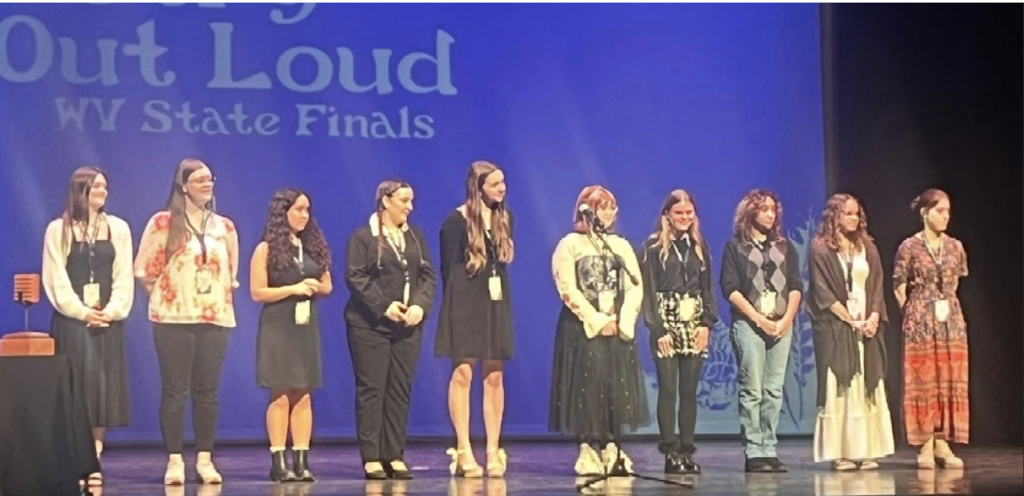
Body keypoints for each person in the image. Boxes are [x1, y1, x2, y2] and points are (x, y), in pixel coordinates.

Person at [134, 158, 239, 485]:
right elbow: (144, 269)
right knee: (175, 391)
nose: (208, 184)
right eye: (200, 180)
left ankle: (205, 459)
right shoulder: (163, 222)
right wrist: (165, 295)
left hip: (214, 318)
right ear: (183, 185)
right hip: (173, 318)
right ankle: (175, 459)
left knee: (207, 391)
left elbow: (230, 272)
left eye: (210, 179)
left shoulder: (224, 226)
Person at [41, 166, 133, 487]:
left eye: (105, 187)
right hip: (73, 323)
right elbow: (55, 278)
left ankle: (93, 458)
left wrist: (113, 310)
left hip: (107, 321)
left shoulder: (117, 227)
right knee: (76, 389)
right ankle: (75, 459)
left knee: (101, 391)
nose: (102, 193)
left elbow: (124, 274)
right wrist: (82, 312)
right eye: (96, 188)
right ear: (80, 191)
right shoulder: (59, 229)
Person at [549, 185, 649, 476]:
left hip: (617, 327)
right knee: (587, 386)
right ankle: (587, 446)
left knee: (614, 388)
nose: (608, 213)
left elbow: (635, 285)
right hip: (583, 329)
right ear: (586, 211)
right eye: (602, 207)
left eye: (611, 207)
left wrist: (623, 321)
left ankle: (613, 445)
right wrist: (596, 320)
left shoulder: (620, 246)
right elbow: (567, 288)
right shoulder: (570, 244)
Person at [345, 180, 437, 480]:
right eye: (404, 201)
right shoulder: (363, 238)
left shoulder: (415, 237)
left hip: (407, 326)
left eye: (411, 202)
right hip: (370, 325)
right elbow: (356, 277)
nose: (409, 207)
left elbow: (427, 276)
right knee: (372, 389)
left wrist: (420, 306)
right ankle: (371, 456)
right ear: (386, 201)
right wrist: (385, 306)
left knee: (400, 388)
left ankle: (393, 454)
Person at [435, 161, 514, 478]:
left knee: (494, 375)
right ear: (478, 187)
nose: (502, 188)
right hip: (464, 300)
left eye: (503, 182)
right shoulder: (455, 222)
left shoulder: (505, 219)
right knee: (464, 373)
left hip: (495, 300)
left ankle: (494, 448)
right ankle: (464, 449)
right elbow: (447, 269)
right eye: (495, 184)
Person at [250, 188, 333, 482]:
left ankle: (301, 460)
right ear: (282, 213)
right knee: (281, 394)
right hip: (278, 325)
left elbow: (327, 286)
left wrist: (312, 286)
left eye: (307, 210)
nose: (304, 215)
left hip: (305, 326)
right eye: (298, 209)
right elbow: (257, 291)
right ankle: (278, 461)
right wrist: (292, 289)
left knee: (304, 394)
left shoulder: (311, 246)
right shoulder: (267, 248)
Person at [808, 193, 894, 471]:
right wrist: (849, 320)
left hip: (866, 326)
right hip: (836, 327)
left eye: (856, 214)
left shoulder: (867, 246)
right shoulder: (820, 248)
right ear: (834, 216)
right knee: (841, 384)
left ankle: (868, 449)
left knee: (868, 383)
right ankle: (842, 452)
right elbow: (821, 290)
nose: (853, 219)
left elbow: (878, 284)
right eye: (847, 213)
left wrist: (873, 317)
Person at [719, 188, 802, 473]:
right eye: (763, 209)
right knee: (752, 389)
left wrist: (786, 319)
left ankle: (769, 447)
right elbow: (730, 289)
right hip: (750, 324)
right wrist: (759, 320)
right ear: (750, 212)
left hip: (781, 323)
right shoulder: (735, 247)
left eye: (772, 209)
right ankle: (754, 450)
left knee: (774, 391)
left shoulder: (784, 246)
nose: (770, 214)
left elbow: (795, 285)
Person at [636, 189, 718, 474]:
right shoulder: (652, 247)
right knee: (669, 389)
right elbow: (647, 291)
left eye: (689, 213)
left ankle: (686, 450)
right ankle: (670, 452)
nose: (684, 218)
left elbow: (708, 289)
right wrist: (658, 329)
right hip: (665, 322)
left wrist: (706, 323)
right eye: (678, 213)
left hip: (694, 320)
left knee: (688, 391)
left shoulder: (699, 245)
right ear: (667, 216)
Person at [894, 188, 969, 469]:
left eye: (948, 212)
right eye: (940, 211)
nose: (945, 217)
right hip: (920, 318)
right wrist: (915, 314)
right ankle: (925, 443)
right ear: (925, 212)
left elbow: (956, 283)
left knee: (948, 378)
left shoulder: (955, 247)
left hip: (950, 319)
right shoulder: (909, 247)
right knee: (922, 380)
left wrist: (945, 308)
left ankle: (943, 442)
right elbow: (899, 286)